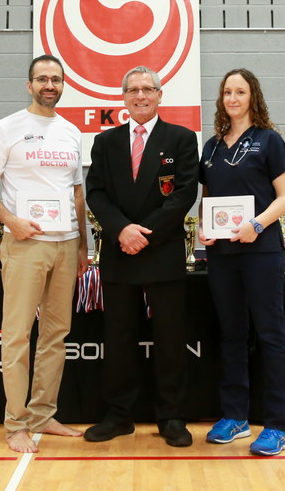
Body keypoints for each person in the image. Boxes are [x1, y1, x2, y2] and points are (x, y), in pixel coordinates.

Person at [0, 54, 88, 453]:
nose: (49, 85)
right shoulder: (7, 128)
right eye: (42, 79)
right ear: (30, 85)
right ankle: (16, 423)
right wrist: (12, 221)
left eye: (56, 79)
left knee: (56, 334)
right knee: (18, 335)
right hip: (24, 244)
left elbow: (77, 194)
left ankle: (42, 413)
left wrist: (82, 245)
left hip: (65, 244)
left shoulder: (71, 132)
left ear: (63, 85)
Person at [84, 65, 198, 446]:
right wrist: (122, 230)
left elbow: (184, 193)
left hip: (162, 251)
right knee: (119, 339)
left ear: (160, 95)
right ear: (124, 97)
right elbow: (95, 193)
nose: (140, 96)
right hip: (120, 252)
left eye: (148, 89)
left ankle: (172, 417)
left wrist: (143, 233)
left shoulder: (181, 139)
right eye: (132, 90)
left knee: (170, 338)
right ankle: (119, 416)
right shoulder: (106, 142)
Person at [198, 68, 285, 456]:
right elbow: (208, 198)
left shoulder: (270, 141)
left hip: (261, 250)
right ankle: (235, 416)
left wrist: (256, 224)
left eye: (240, 92)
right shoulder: (211, 147)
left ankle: (278, 425)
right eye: (227, 92)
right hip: (222, 254)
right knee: (231, 334)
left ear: (253, 96)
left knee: (271, 334)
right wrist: (204, 230)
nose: (232, 98)